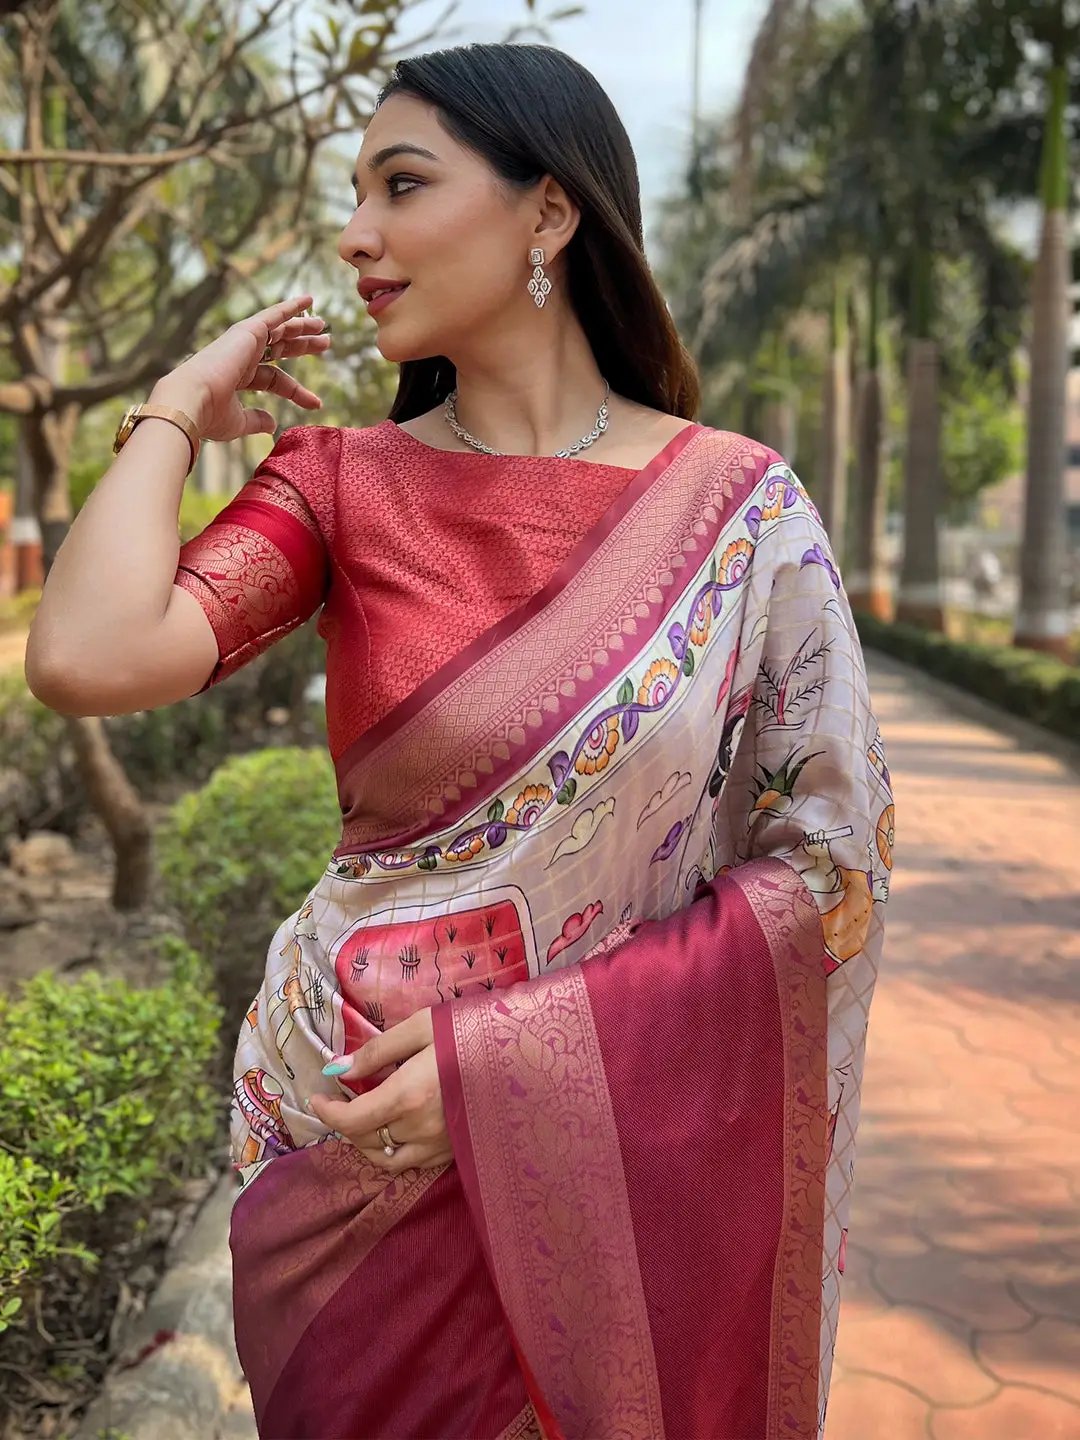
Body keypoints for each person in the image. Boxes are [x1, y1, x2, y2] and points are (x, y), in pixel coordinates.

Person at [25, 43, 893, 1440]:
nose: (356, 233)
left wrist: (522, 1070)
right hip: (348, 1161)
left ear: (549, 215)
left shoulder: (741, 511)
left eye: (402, 185)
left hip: (605, 1179)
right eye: (353, 192)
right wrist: (178, 412)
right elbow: (87, 656)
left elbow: (833, 866)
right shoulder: (341, 485)